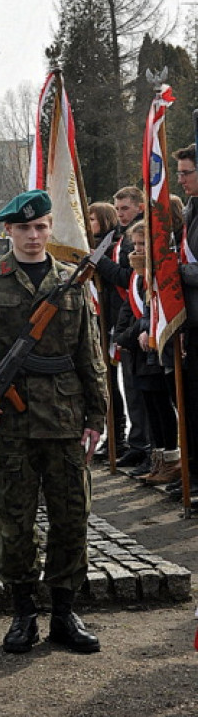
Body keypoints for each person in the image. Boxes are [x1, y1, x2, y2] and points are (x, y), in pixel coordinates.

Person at [0, 190, 107, 655]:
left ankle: (64, 614)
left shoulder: (72, 282)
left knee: (71, 520)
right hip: (10, 423)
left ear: (50, 228)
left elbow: (90, 354)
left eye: (41, 227)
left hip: (65, 419)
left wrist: (97, 415)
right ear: (8, 231)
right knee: (14, 524)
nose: (33, 236)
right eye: (23, 228)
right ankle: (23, 615)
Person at [113, 221, 180, 486]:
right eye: (136, 244)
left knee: (162, 407)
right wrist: (123, 336)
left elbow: (155, 311)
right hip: (137, 350)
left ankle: (171, 459)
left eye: (143, 244)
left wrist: (139, 330)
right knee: (150, 405)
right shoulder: (137, 275)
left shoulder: (158, 272)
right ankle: (158, 458)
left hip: (154, 349)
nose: (138, 249)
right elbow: (127, 311)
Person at [94, 186, 151, 470]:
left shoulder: (135, 238)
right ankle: (136, 442)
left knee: (140, 389)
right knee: (128, 386)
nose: (120, 214)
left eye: (125, 208)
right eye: (117, 209)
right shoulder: (116, 237)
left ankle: (145, 445)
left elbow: (129, 277)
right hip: (119, 317)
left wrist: (100, 262)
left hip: (135, 319)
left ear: (140, 207)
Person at [87, 202, 127, 460]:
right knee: (101, 383)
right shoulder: (88, 246)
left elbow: (121, 279)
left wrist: (98, 260)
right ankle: (109, 436)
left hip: (111, 321)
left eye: (92, 219)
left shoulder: (114, 247)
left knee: (112, 383)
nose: (89, 223)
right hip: (95, 322)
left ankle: (118, 436)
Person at [171, 144, 198, 501]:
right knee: (190, 406)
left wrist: (177, 271)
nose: (180, 180)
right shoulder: (190, 211)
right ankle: (192, 470)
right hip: (190, 323)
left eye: (186, 172)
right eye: (178, 173)